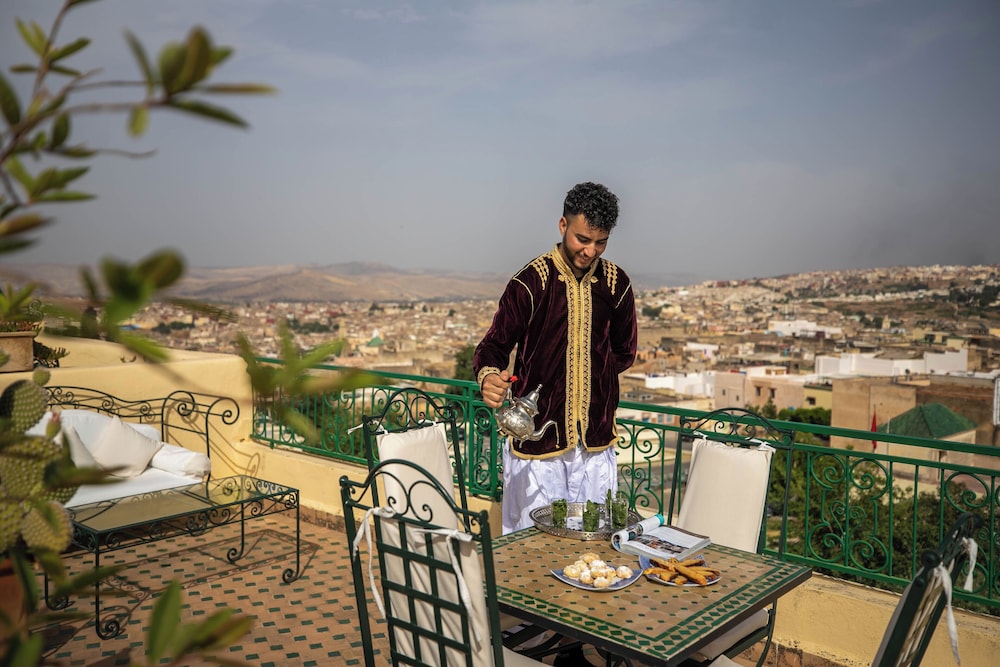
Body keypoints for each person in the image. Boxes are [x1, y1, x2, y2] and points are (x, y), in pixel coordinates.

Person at [475, 181, 638, 536]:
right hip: (537, 446)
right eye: (583, 239)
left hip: (595, 445)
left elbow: (625, 352)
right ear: (563, 225)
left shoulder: (616, 284)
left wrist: (595, 382)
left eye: (601, 242)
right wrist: (488, 378)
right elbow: (493, 346)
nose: (590, 251)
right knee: (532, 548)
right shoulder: (530, 283)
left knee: (594, 543)